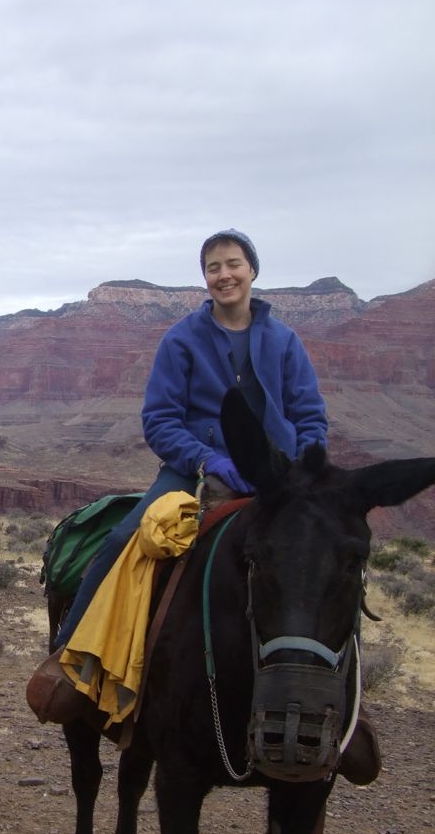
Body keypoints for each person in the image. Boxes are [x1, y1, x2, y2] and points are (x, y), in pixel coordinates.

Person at [53, 228, 327, 652]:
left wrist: (304, 467)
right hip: (194, 473)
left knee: (329, 551)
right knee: (124, 539)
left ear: (252, 270)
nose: (224, 275)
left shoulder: (284, 341)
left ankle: (340, 681)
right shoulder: (181, 339)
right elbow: (160, 421)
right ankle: (69, 655)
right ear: (205, 278)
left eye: (233, 264)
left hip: (277, 475)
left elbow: (309, 416)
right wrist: (210, 461)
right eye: (213, 267)